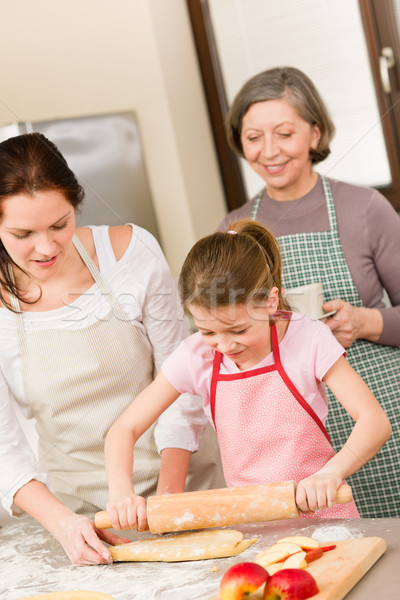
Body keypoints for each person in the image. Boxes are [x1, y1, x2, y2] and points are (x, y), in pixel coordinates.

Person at [0, 132, 225, 565]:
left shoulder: (132, 253)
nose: (46, 248)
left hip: (184, 493)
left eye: (59, 225)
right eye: (23, 233)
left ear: (77, 206)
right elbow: (4, 448)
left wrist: (168, 499)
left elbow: (183, 382)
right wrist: (65, 524)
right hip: (84, 519)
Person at [104, 219, 391, 531]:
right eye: (208, 330)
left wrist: (330, 473)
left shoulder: (308, 337)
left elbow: (374, 420)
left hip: (326, 520)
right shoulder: (196, 355)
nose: (224, 345)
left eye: (238, 329)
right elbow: (123, 430)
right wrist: (121, 493)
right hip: (253, 529)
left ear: (270, 302)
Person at [218, 66, 400, 518]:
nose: (269, 151)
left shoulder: (364, 209)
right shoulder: (236, 229)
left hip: (381, 420)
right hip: (297, 441)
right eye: (253, 136)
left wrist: (366, 321)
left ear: (315, 133)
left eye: (284, 133)